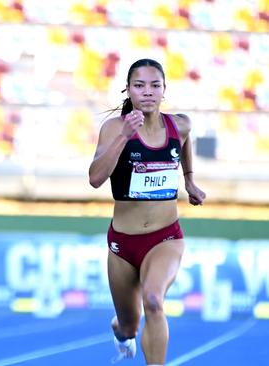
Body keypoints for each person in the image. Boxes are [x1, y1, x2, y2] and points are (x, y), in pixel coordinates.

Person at [89, 58, 206, 365]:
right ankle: (122, 331)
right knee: (129, 324)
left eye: (155, 85)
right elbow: (95, 178)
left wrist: (189, 180)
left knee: (153, 301)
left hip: (165, 238)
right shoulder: (114, 128)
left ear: (164, 90)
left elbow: (184, 140)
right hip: (123, 245)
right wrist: (124, 137)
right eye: (139, 85)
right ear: (128, 90)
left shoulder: (178, 125)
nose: (148, 92)